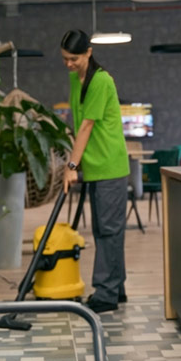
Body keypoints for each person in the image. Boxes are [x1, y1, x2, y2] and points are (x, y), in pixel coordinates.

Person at [60, 29, 130, 313]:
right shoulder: (75, 79)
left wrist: (71, 165)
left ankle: (106, 293)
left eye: (74, 58)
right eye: (65, 58)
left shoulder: (101, 80)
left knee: (109, 231)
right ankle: (117, 288)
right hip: (95, 166)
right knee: (104, 229)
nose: (69, 63)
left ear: (88, 52)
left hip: (110, 165)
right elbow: (78, 122)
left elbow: (87, 125)